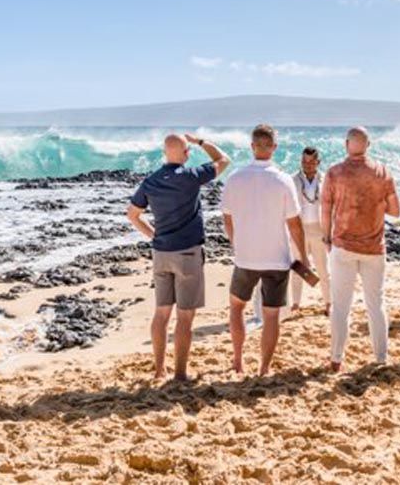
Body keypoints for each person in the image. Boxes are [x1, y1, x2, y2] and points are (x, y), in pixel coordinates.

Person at [126, 133, 231, 381]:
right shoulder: (190, 176)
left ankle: (159, 369)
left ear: (164, 152)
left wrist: (153, 236)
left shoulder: (150, 182)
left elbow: (132, 214)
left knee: (161, 314)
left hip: (161, 252)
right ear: (185, 153)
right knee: (185, 316)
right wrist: (201, 142)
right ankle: (180, 374)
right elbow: (224, 160)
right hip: (187, 253)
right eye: (187, 151)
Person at [221, 124, 309, 376]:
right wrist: (302, 256)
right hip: (277, 259)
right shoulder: (283, 181)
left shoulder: (235, 178)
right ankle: (264, 367)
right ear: (274, 148)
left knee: (236, 307)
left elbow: (227, 218)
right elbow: (295, 225)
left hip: (245, 257)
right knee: (271, 316)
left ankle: (238, 360)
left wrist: (236, 243)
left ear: (252, 147)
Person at [321, 126, 400, 372]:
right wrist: (373, 202)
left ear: (347, 145)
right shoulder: (382, 172)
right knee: (375, 304)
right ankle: (380, 357)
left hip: (343, 246)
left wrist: (326, 238)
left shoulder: (334, 173)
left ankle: (336, 359)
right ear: (368, 145)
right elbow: (396, 211)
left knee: (340, 306)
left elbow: (325, 210)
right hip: (374, 248)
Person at [290, 146, 331, 315]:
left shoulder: (325, 179)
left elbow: (331, 206)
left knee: (323, 267)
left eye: (311, 162)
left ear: (318, 162)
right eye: (304, 162)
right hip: (299, 228)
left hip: (318, 228)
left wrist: (330, 232)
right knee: (298, 267)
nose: (307, 165)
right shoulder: (293, 179)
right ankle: (296, 303)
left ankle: (328, 302)